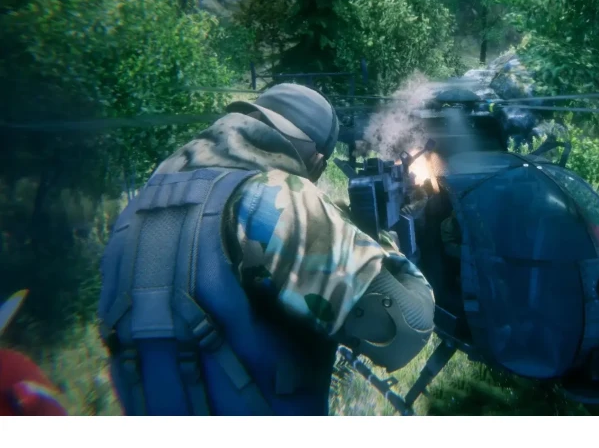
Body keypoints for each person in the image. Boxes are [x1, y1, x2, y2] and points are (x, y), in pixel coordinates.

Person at [98, 84, 435, 415]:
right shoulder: (272, 196)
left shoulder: (138, 208)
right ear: (316, 160)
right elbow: (409, 328)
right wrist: (382, 246)